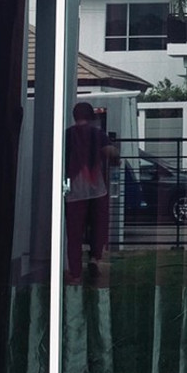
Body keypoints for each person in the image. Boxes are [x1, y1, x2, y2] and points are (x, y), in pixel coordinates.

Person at [64, 102, 115, 285]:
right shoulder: (97, 134)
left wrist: (64, 187)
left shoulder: (67, 135)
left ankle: (75, 274)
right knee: (98, 226)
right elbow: (111, 153)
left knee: (74, 233)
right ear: (91, 116)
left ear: (74, 116)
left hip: (74, 190)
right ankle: (95, 258)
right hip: (96, 188)